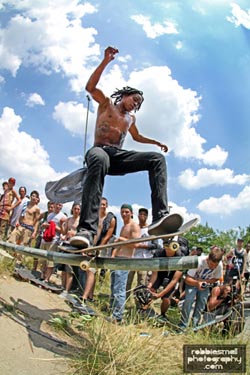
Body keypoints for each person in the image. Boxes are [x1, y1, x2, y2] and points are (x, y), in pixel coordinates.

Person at [70, 46, 174, 250]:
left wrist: (156, 144)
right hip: (99, 152)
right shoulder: (106, 104)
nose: (135, 105)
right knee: (99, 158)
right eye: (135, 99)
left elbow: (137, 136)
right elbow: (90, 88)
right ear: (125, 95)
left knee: (157, 159)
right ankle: (87, 231)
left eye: (138, 104)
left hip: (118, 157)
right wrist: (105, 61)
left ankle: (161, 218)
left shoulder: (130, 119)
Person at [80, 197, 117, 302]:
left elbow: (108, 236)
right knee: (90, 271)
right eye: (100, 204)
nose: (102, 206)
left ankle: (84, 297)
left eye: (104, 204)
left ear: (107, 205)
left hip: (100, 248)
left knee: (91, 270)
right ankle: (91, 296)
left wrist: (98, 248)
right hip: (90, 245)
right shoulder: (94, 217)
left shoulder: (111, 219)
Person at [178, 246, 224, 330]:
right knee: (189, 300)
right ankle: (182, 325)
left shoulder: (219, 265)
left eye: (215, 265)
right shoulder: (199, 261)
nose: (212, 267)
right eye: (211, 264)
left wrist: (204, 281)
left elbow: (216, 278)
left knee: (201, 304)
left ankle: (195, 326)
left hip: (205, 284)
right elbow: (187, 279)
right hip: (192, 282)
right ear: (207, 259)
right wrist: (197, 282)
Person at [109, 204, 141, 323]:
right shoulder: (123, 226)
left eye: (127, 212)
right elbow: (119, 244)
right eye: (122, 212)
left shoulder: (134, 226)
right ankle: (112, 310)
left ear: (131, 213)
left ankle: (118, 316)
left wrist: (121, 239)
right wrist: (113, 255)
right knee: (113, 287)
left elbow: (135, 244)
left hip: (125, 260)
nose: (124, 214)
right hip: (117, 258)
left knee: (119, 289)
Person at [147, 242, 185, 322]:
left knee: (166, 299)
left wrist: (161, 294)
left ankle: (163, 314)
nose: (168, 252)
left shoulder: (181, 258)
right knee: (149, 292)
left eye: (170, 251)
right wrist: (149, 286)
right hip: (159, 275)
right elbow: (154, 274)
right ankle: (144, 310)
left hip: (172, 277)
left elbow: (174, 280)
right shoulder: (158, 253)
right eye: (167, 249)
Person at [126, 207, 158, 300]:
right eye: (141, 214)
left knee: (141, 283)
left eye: (144, 214)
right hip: (132, 258)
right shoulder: (134, 227)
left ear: (147, 216)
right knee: (128, 281)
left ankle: (138, 302)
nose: (142, 216)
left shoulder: (151, 229)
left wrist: (141, 246)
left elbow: (155, 245)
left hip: (145, 259)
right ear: (138, 215)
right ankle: (124, 300)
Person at [40, 203, 67, 283]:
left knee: (50, 261)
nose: (59, 206)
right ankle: (42, 275)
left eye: (60, 205)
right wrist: (45, 226)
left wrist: (52, 226)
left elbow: (63, 231)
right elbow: (46, 225)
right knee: (42, 258)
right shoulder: (50, 215)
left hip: (54, 240)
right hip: (45, 238)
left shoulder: (63, 217)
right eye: (58, 204)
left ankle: (47, 278)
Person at [59, 202, 81, 298]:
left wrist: (74, 234)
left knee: (69, 269)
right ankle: (62, 286)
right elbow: (64, 232)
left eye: (78, 209)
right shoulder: (68, 220)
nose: (76, 211)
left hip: (74, 246)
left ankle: (67, 290)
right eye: (75, 208)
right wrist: (62, 226)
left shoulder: (81, 221)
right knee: (63, 268)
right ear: (72, 209)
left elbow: (82, 234)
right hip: (66, 244)